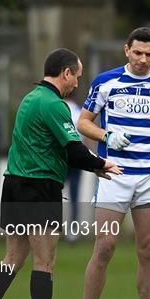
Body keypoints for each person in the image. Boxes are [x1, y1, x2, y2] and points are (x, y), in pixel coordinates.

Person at [0, 48, 122, 299]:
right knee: (45, 261)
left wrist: (93, 166)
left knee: (12, 256)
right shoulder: (54, 104)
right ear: (65, 73)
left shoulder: (29, 99)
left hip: (13, 184)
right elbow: (73, 149)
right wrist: (102, 164)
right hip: (40, 187)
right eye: (76, 76)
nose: (77, 83)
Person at [76, 27, 150, 299]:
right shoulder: (106, 82)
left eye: (149, 54)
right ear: (126, 50)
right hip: (114, 175)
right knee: (105, 246)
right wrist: (107, 135)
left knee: (148, 249)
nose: (142, 59)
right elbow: (83, 122)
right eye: (137, 53)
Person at [64, 98, 85, 242]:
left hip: (62, 157)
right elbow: (85, 137)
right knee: (74, 195)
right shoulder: (79, 112)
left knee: (53, 193)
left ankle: (51, 228)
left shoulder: (59, 108)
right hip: (77, 158)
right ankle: (73, 231)